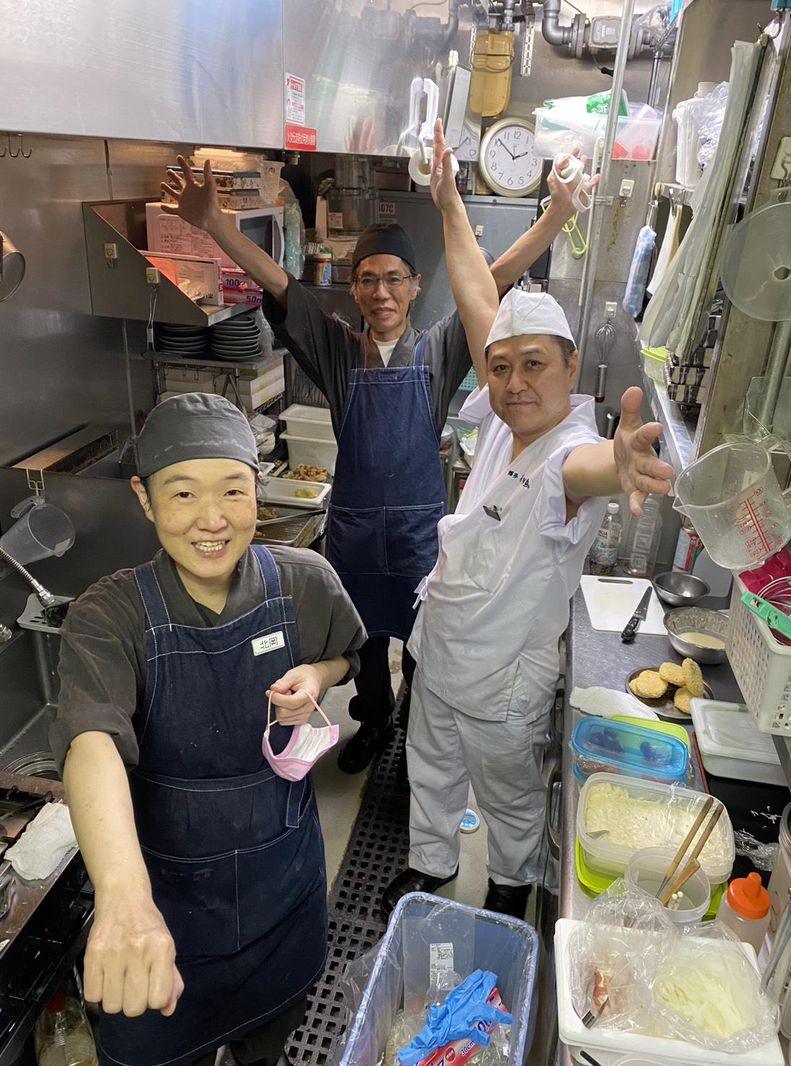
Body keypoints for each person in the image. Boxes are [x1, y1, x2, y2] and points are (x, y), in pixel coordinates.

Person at [161, 156, 587, 775]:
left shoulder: (439, 348)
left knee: (425, 645)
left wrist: (556, 215)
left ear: (415, 285)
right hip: (356, 531)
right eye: (367, 280)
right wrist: (216, 226)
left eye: (393, 279)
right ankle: (375, 720)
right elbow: (281, 285)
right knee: (361, 643)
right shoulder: (337, 348)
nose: (380, 292)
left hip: (420, 534)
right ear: (354, 289)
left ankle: (418, 733)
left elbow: (491, 280)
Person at [382, 121, 674, 920]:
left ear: (571, 368)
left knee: (509, 794)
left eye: (534, 365)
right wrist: (448, 200)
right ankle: (430, 864)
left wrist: (621, 464)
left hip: (504, 679)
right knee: (431, 770)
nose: (513, 382)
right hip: (442, 650)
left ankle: (510, 886)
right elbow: (478, 295)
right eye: (502, 367)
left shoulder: (567, 453)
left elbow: (592, 470)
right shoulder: (503, 421)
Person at [51, 394, 367, 1066]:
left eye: (232, 490)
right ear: (144, 498)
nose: (212, 519)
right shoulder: (109, 616)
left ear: (258, 490)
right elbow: (91, 741)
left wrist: (318, 674)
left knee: (273, 1036)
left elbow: (348, 655)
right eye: (183, 493)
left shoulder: (305, 583)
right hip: (166, 918)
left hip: (283, 897)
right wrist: (125, 902)